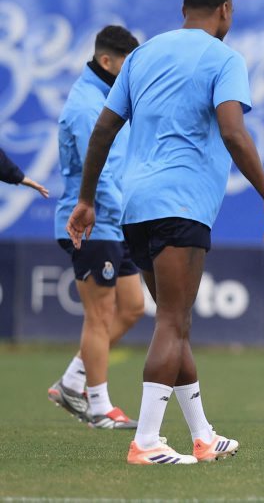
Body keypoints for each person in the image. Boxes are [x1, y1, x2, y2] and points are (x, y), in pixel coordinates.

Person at [67, 0, 264, 465]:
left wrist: (86, 199)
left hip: (136, 208)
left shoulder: (141, 56)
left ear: (184, 9)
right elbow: (233, 131)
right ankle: (146, 441)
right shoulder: (224, 58)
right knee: (171, 319)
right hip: (181, 204)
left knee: (176, 319)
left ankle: (202, 436)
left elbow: (103, 130)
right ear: (225, 10)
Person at [49, 25, 145, 429]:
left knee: (133, 307)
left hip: (113, 222)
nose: (131, 74)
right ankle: (99, 407)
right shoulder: (87, 105)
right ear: (106, 61)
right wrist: (130, 215)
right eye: (126, 65)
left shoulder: (108, 97)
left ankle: (72, 381)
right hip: (92, 222)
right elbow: (99, 174)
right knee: (100, 316)